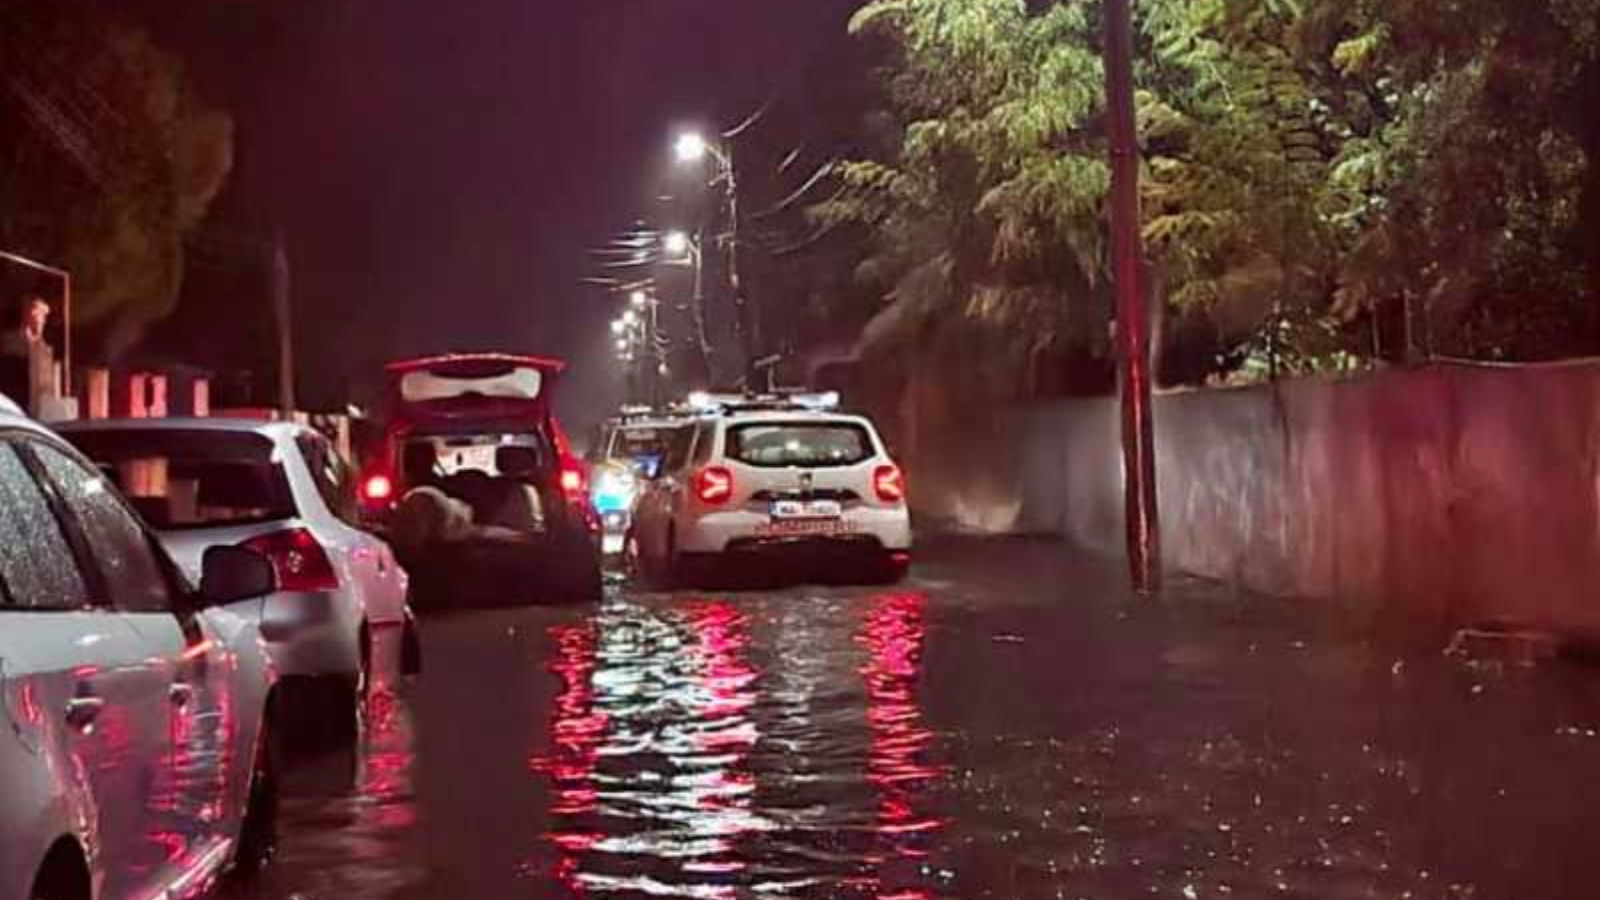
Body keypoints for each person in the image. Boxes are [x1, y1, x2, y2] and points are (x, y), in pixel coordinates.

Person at [0, 296, 51, 411]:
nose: (43, 321)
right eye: (41, 316)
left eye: (43, 317)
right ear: (30, 316)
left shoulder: (42, 346)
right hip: (15, 401)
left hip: (37, 402)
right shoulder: (11, 340)